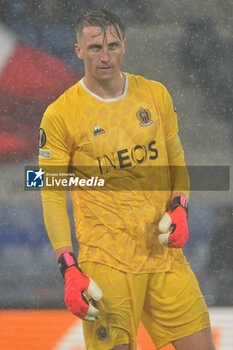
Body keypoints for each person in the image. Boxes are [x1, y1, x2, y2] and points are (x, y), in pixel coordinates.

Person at [39, 9, 216, 350]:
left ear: (124, 46)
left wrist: (179, 206)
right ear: (78, 50)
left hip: (163, 256)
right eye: (94, 48)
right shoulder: (60, 115)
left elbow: (175, 160)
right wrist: (69, 267)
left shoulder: (155, 95)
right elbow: (51, 195)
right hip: (106, 263)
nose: (105, 56)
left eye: (112, 45)